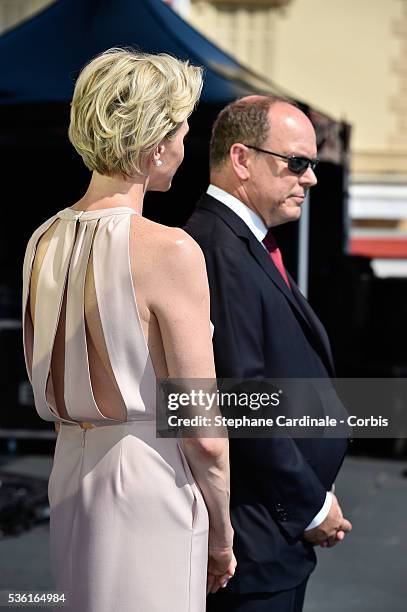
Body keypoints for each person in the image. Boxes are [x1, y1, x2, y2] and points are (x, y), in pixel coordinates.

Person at [22, 48, 235, 612]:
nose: (184, 149)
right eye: (182, 132)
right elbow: (204, 430)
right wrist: (222, 532)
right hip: (149, 482)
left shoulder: (41, 242)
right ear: (154, 142)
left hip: (69, 476)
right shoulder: (170, 250)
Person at [185, 95, 352, 612]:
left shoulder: (244, 242)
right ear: (241, 159)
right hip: (256, 542)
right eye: (297, 163)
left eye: (314, 164)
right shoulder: (219, 247)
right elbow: (239, 397)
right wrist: (309, 505)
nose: (311, 178)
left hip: (271, 536)